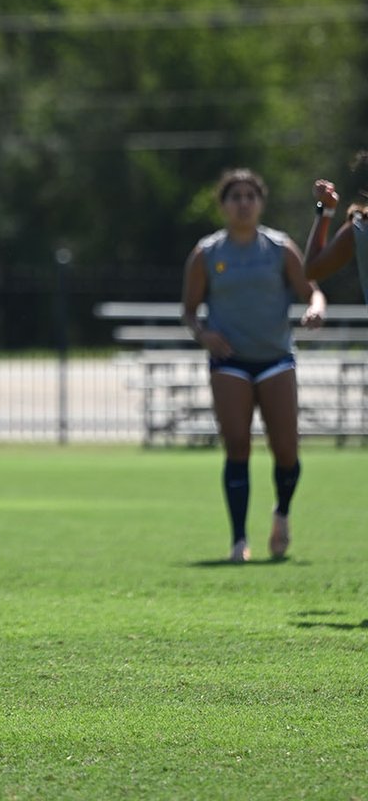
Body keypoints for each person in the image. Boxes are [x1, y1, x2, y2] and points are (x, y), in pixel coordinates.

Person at [181, 168, 325, 564]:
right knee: (237, 446)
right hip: (230, 362)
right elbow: (190, 312)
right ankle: (238, 539)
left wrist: (315, 309)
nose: (243, 203)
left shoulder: (279, 248)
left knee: (286, 450)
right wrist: (203, 333)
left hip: (276, 359)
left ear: (261, 202)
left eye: (250, 196)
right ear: (223, 205)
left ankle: (281, 513)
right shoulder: (207, 254)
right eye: (235, 196)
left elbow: (311, 290)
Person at [302, 155, 368, 302]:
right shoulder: (362, 226)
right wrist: (326, 209)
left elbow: (312, 270)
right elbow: (313, 270)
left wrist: (326, 209)